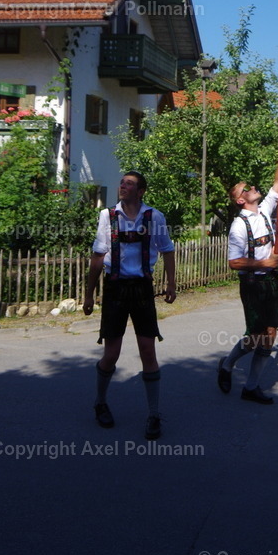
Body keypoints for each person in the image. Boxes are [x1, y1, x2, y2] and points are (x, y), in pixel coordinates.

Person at [83, 171, 176, 440]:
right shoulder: (107, 216)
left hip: (142, 289)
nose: (123, 186)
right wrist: (89, 294)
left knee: (148, 351)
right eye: (122, 182)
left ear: (141, 191)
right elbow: (98, 255)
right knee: (111, 353)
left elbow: (167, 250)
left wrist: (171, 284)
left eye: (130, 184)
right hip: (115, 289)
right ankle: (100, 402)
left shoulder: (154, 217)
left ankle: (153, 414)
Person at [217, 140, 278, 405]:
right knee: (256, 336)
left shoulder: (264, 211)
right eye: (245, 188)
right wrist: (263, 264)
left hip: (271, 281)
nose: (251, 187)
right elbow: (234, 263)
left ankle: (251, 386)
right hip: (252, 283)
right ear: (240, 199)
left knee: (270, 335)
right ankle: (227, 364)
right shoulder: (238, 227)